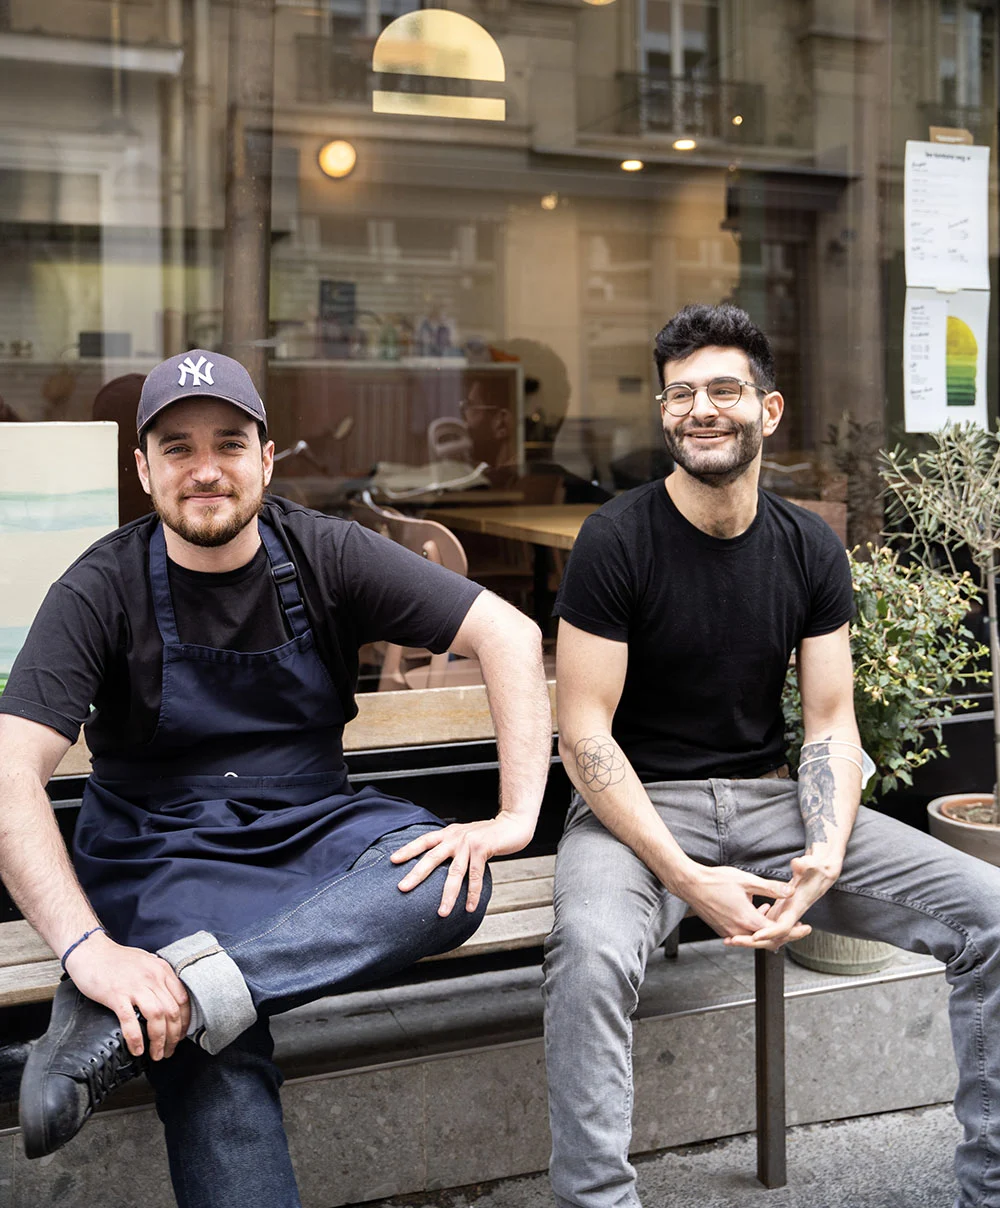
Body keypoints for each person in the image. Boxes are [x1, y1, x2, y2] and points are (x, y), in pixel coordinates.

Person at [0, 348, 551, 1207]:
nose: (206, 468)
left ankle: (154, 1003)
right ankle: (167, 1002)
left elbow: (509, 636)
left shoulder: (327, 551)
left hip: (315, 827)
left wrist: (516, 817)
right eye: (178, 449)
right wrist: (92, 949)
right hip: (161, 849)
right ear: (144, 470)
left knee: (448, 882)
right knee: (213, 1048)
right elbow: (7, 775)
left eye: (229, 441)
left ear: (266, 457)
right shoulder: (99, 587)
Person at [542, 303, 1000, 1208]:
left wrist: (828, 845)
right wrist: (688, 878)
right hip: (634, 811)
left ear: (770, 409)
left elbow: (830, 723)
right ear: (664, 412)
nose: (701, 409)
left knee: (992, 913)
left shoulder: (807, 546)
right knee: (591, 955)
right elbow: (583, 736)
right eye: (681, 394)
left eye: (724, 389)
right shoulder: (614, 540)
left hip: (770, 802)